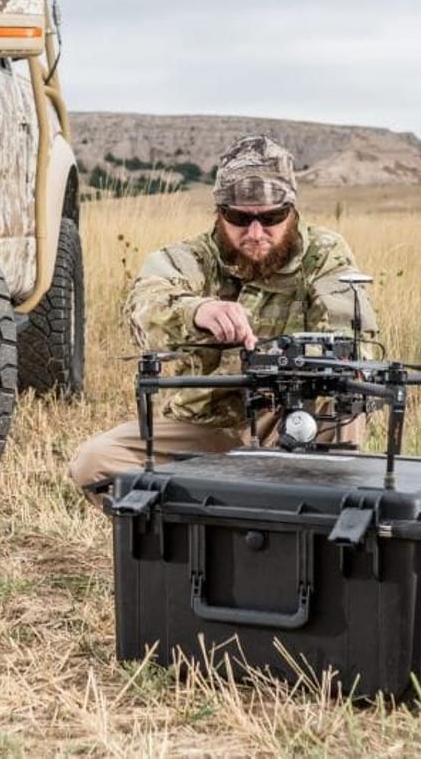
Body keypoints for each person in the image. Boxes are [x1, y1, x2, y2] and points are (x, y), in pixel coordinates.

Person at [67, 135, 378, 496]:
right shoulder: (191, 256)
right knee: (95, 463)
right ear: (219, 211)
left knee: (345, 408)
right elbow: (143, 308)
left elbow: (354, 340)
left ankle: (310, 540)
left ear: (291, 211)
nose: (256, 233)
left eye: (272, 217)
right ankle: (188, 545)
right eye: (239, 217)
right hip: (205, 423)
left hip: (292, 418)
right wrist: (197, 310)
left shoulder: (324, 254)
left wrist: (321, 365)